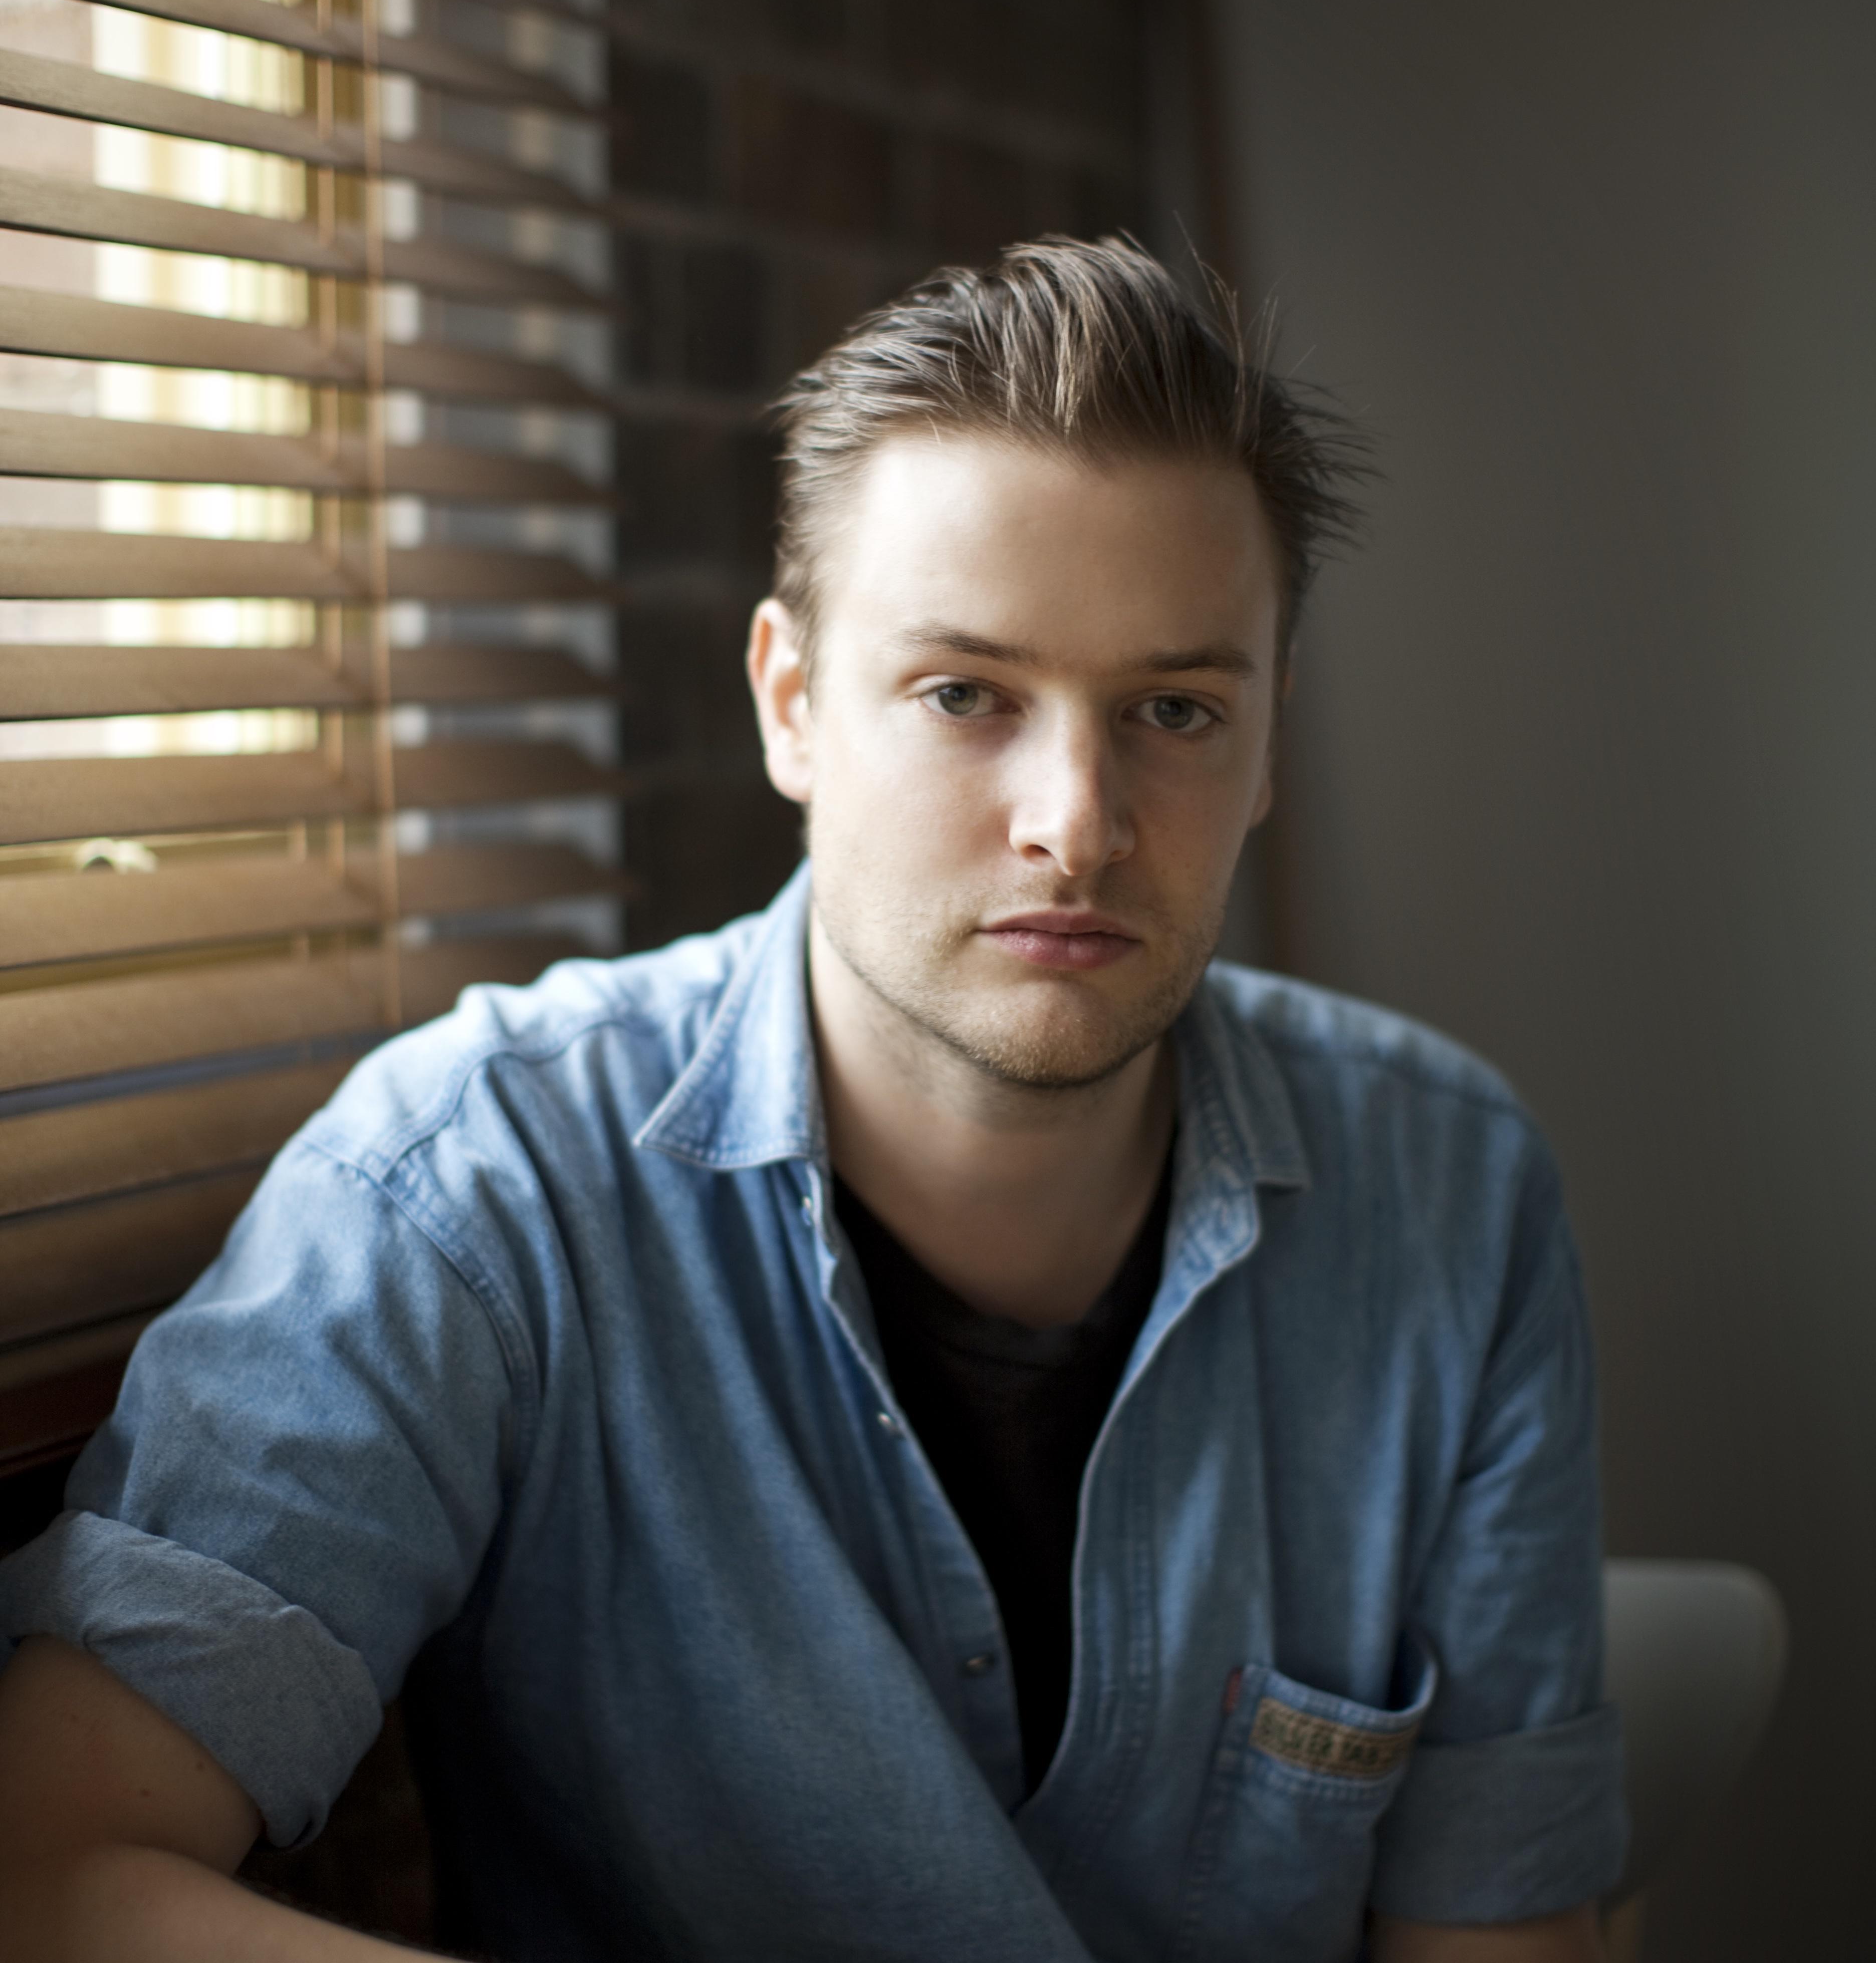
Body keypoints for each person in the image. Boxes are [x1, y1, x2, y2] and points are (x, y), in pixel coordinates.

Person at [0, 239, 1623, 1960]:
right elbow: (53, 1873)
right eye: (963, 695)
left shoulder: (1454, 1193)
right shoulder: (478, 1189)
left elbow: (1497, 1935)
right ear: (791, 701)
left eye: (1172, 707)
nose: (1077, 819)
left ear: (1272, 740)